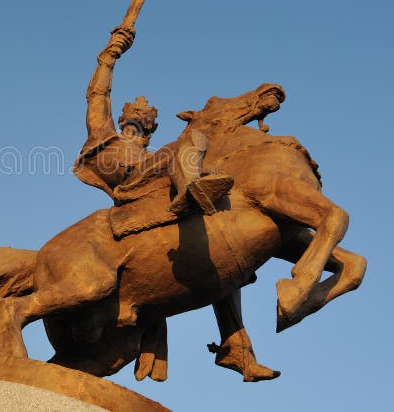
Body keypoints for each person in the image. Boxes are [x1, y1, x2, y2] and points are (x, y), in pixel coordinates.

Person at [73, 25, 279, 381]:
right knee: (190, 142)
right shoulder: (105, 139)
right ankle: (190, 193)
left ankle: (237, 348)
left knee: (221, 255)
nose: (137, 130)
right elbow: (97, 96)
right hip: (131, 194)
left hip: (156, 193)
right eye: (131, 124)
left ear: (150, 133)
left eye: (144, 128)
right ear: (122, 124)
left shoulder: (155, 154)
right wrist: (109, 58)